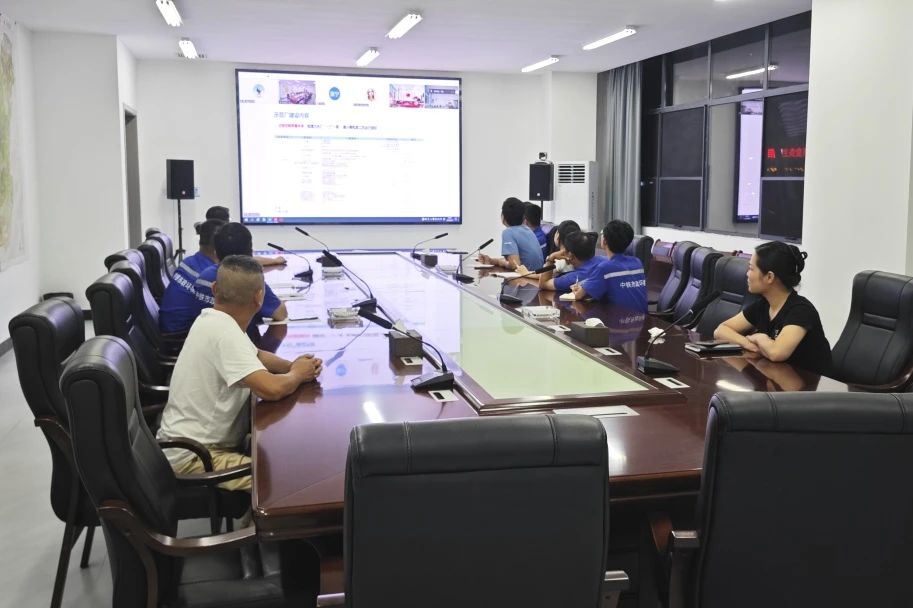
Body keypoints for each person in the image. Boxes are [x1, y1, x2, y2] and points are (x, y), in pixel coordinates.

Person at [156, 255, 323, 491]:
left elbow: (256, 355)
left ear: (215, 289)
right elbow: (271, 389)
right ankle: (254, 517)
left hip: (190, 445)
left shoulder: (213, 319)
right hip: (194, 458)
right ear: (259, 297)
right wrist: (297, 375)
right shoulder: (225, 333)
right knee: (281, 484)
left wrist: (292, 365)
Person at [714, 241, 832, 375]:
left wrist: (759, 338)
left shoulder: (801, 310)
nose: (747, 274)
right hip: (780, 379)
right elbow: (721, 330)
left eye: (751, 269)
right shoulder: (763, 305)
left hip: (811, 385)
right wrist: (747, 344)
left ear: (769, 277)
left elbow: (776, 353)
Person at [160, 222, 289, 334]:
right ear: (251, 252)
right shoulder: (244, 278)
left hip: (199, 338)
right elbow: (280, 314)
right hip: (191, 339)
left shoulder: (205, 272)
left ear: (216, 253)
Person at [159, 218, 225, 333]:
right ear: (218, 247)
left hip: (169, 324)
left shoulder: (188, 262)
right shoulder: (208, 275)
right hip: (179, 333)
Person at [570, 220, 647, 312]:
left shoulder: (605, 267)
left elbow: (578, 295)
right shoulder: (637, 262)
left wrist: (578, 289)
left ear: (605, 241)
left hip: (618, 320)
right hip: (642, 319)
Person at [198, 205, 285, 267]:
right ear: (225, 222)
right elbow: (246, 260)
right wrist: (275, 261)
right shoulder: (223, 239)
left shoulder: (205, 237)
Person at [479, 197, 544, 271]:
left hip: (526, 276)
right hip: (536, 275)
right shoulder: (527, 229)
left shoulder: (508, 232)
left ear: (503, 216)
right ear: (523, 217)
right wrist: (492, 261)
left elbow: (515, 265)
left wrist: (500, 262)